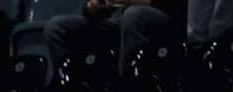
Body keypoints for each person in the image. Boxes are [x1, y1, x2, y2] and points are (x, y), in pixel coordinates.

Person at [47, 0, 176, 77]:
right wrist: (92, 7)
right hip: (115, 20)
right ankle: (68, 85)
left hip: (155, 15)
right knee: (56, 26)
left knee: (133, 15)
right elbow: (93, 9)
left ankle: (128, 85)